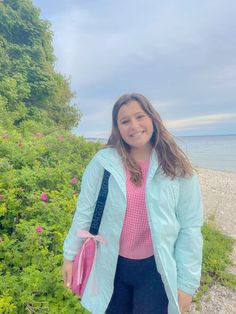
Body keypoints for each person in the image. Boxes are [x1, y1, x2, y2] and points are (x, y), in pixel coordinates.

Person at [62, 93, 203, 314]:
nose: (134, 125)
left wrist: (187, 284)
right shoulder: (103, 163)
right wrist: (69, 256)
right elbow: (84, 212)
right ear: (117, 128)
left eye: (140, 116)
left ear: (152, 118)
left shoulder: (176, 167)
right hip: (112, 267)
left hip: (156, 270)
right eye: (125, 121)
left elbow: (190, 227)